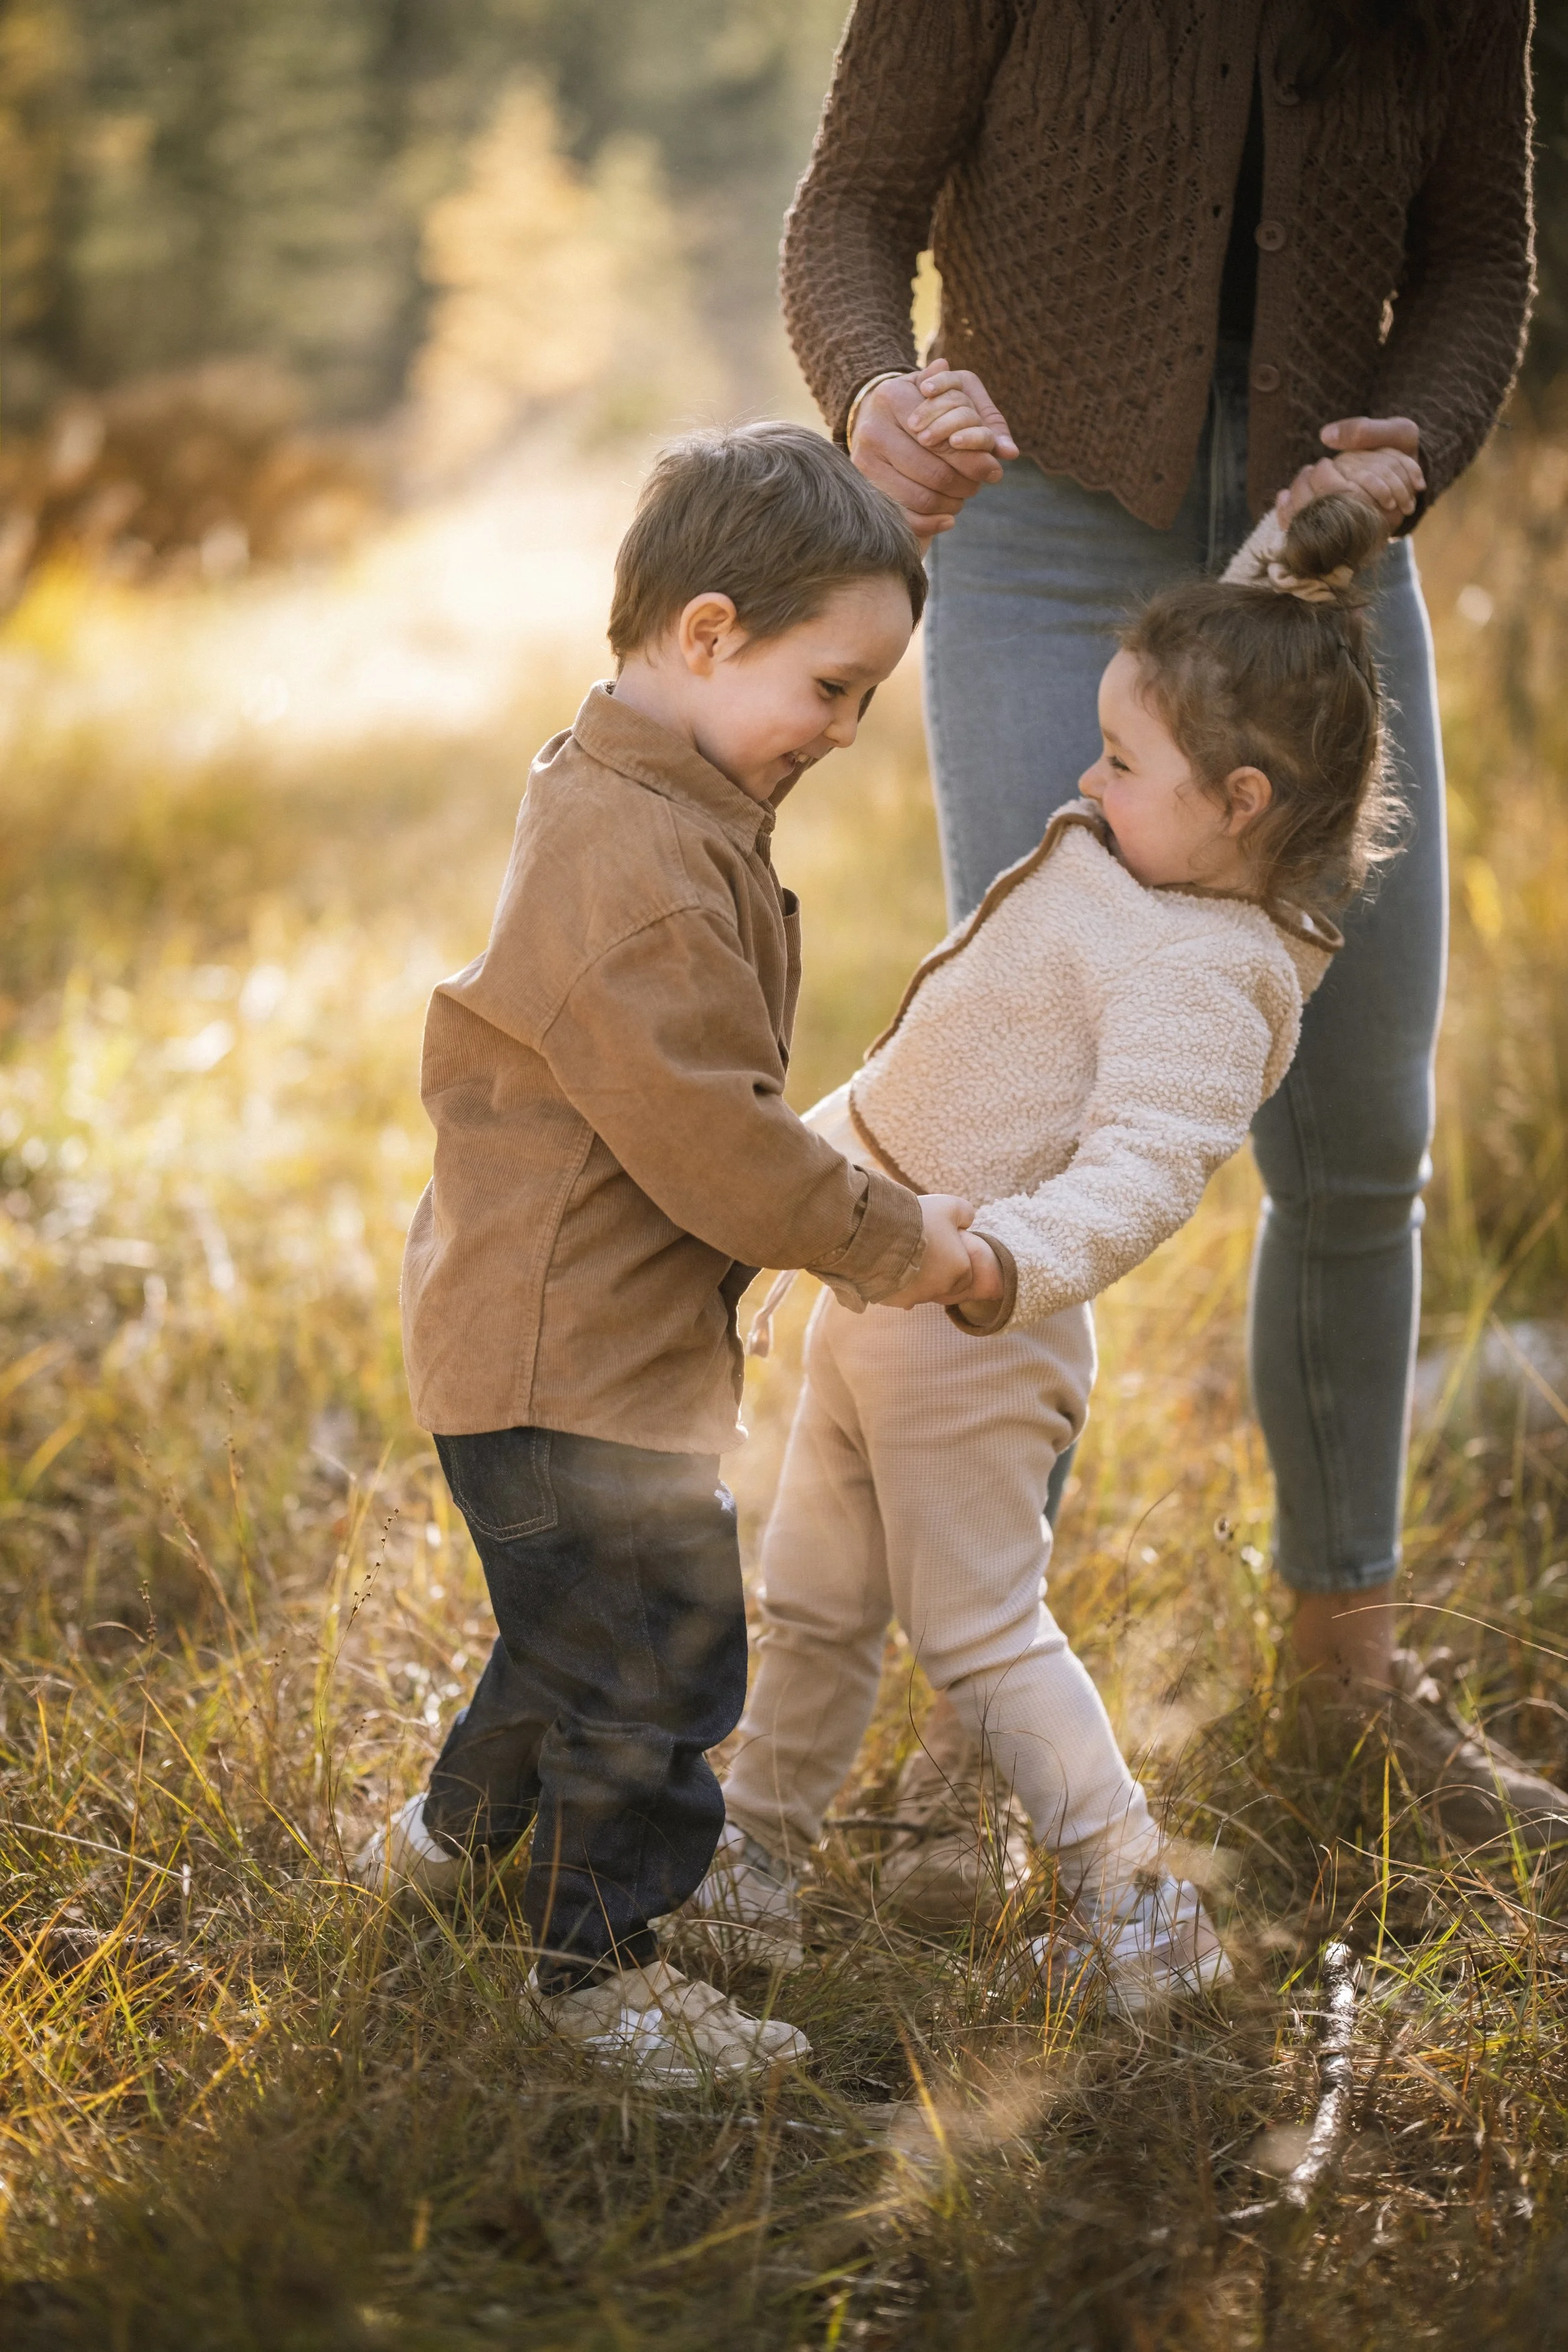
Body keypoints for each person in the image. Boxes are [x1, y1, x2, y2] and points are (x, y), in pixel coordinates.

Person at [776, 0, 1554, 1835]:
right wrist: (876, 388)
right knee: (1007, 1121)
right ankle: (983, 1698)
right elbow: (849, 209)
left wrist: (1415, 441)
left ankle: (1349, 1674)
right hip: (1041, 534)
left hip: (1323, 567)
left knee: (1362, 1144)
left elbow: (1478, 254)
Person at [695, 492, 1568, 2015]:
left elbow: (1143, 1177)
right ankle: (754, 1866)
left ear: (1239, 800)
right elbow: (1237, 678)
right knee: (817, 1603)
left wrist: (992, 1270)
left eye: (1118, 759)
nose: (1086, 779)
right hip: (873, 1282)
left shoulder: (1206, 971)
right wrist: (1274, 556)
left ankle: (1135, 1903)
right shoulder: (1158, 849)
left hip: (964, 1318)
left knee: (979, 1634)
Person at [351, 423, 995, 2085]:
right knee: (662, 1654)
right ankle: (602, 1972)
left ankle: (446, 1843)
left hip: (540, 1345)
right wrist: (886, 1237)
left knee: (571, 1633)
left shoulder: (642, 789)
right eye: (833, 687)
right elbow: (712, 1142)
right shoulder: (637, 868)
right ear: (705, 634)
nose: (848, 731)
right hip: (575, 1364)